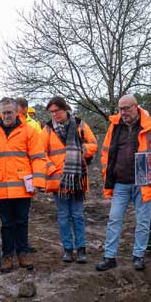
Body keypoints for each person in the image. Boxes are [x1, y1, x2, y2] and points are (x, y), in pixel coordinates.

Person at [97, 94, 151, 272]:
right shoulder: (114, 127)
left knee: (143, 221)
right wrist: (107, 173)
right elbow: (106, 153)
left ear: (136, 107)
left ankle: (138, 256)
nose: (123, 112)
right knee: (114, 219)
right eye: (120, 109)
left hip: (144, 183)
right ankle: (109, 257)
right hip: (120, 183)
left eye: (126, 108)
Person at [0, 97, 47, 272]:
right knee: (6, 223)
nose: (7, 116)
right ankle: (7, 255)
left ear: (16, 112)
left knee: (22, 221)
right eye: (4, 113)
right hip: (0, 188)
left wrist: (38, 182)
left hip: (23, 187)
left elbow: (38, 157)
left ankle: (23, 253)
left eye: (10, 112)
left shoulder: (28, 131)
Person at [40, 96, 98, 263]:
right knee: (64, 215)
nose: (54, 114)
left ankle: (81, 249)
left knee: (78, 215)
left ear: (65, 109)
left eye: (57, 111)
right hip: (58, 181)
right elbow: (40, 153)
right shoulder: (48, 130)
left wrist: (82, 150)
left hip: (77, 178)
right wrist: (51, 169)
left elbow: (93, 144)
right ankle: (67, 249)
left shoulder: (80, 125)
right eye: (51, 112)